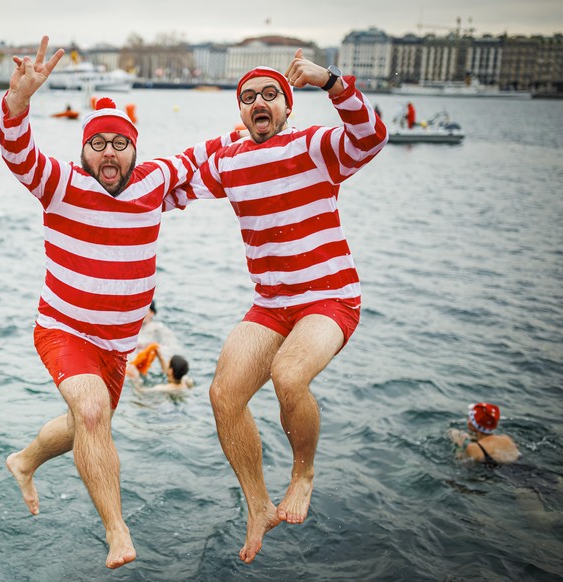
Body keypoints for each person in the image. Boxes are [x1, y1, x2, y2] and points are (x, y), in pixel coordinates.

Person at [0, 36, 239, 569]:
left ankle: (25, 461)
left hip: (117, 346)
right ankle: (117, 531)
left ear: (134, 149)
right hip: (62, 328)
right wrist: (18, 103)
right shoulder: (59, 183)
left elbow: (207, 153)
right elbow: (17, 152)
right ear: (84, 151)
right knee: (90, 412)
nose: (109, 151)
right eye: (99, 143)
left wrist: (261, 118)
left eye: (119, 143)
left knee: (87, 420)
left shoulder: (154, 181)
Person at [173, 50, 387, 562]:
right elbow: (170, 192)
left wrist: (331, 82)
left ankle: (303, 474)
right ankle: (258, 504)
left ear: (288, 107)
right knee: (224, 395)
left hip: (330, 298)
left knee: (290, 376)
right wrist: (106, 188)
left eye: (270, 95)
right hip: (271, 304)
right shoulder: (231, 160)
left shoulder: (315, 147)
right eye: (248, 98)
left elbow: (371, 136)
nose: (258, 103)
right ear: (241, 112)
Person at [448, 402, 520, 465]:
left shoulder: (473, 448)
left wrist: (458, 445)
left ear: (473, 424)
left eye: (470, 417)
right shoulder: (506, 438)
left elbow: (463, 466)